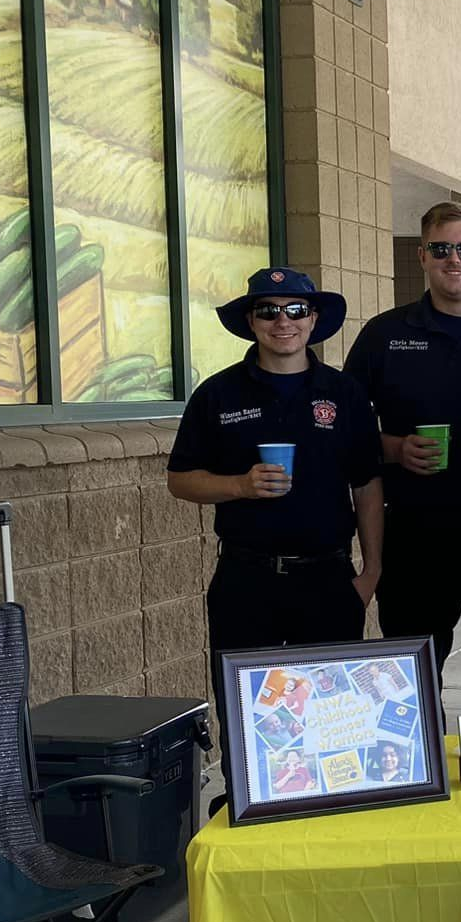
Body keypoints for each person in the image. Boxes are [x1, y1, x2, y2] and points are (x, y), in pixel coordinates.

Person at [344, 201, 461, 710]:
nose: (455, 259)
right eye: (442, 248)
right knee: (409, 687)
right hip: (416, 537)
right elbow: (343, 431)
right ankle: (418, 763)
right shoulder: (384, 335)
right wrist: (393, 448)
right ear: (422, 256)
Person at [168, 269, 383, 714]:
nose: (282, 321)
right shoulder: (217, 394)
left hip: (328, 578)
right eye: (267, 311)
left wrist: (371, 573)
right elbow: (180, 479)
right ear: (251, 321)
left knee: (330, 713)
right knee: (245, 711)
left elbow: (366, 485)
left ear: (313, 318)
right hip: (246, 578)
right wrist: (239, 485)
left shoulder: (344, 393)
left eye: (295, 310)